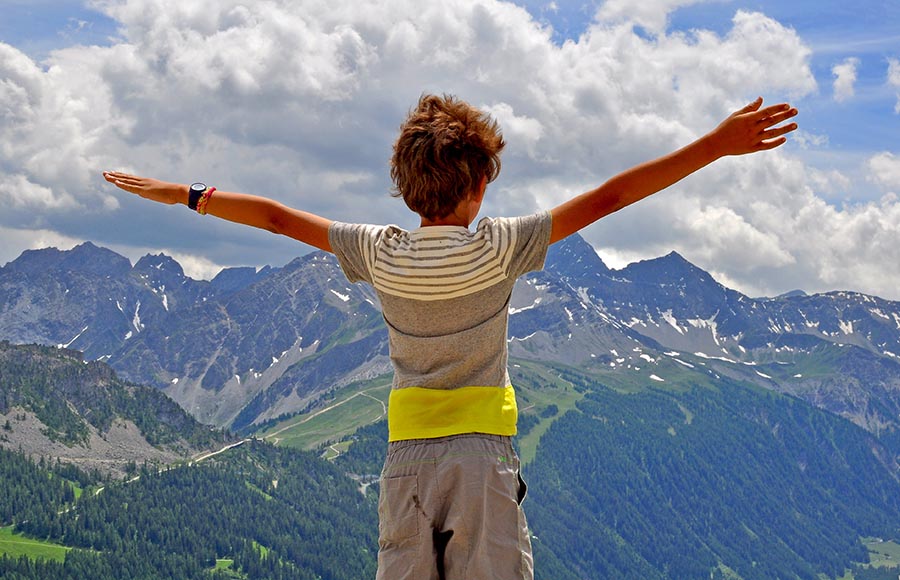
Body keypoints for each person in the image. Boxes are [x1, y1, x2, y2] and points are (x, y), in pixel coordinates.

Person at [103, 93, 797, 580]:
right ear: (480, 190)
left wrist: (186, 194)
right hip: (480, 461)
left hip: (404, 460)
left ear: (407, 190)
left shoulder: (378, 251)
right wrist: (715, 144)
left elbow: (281, 219)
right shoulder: (499, 248)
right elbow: (611, 197)